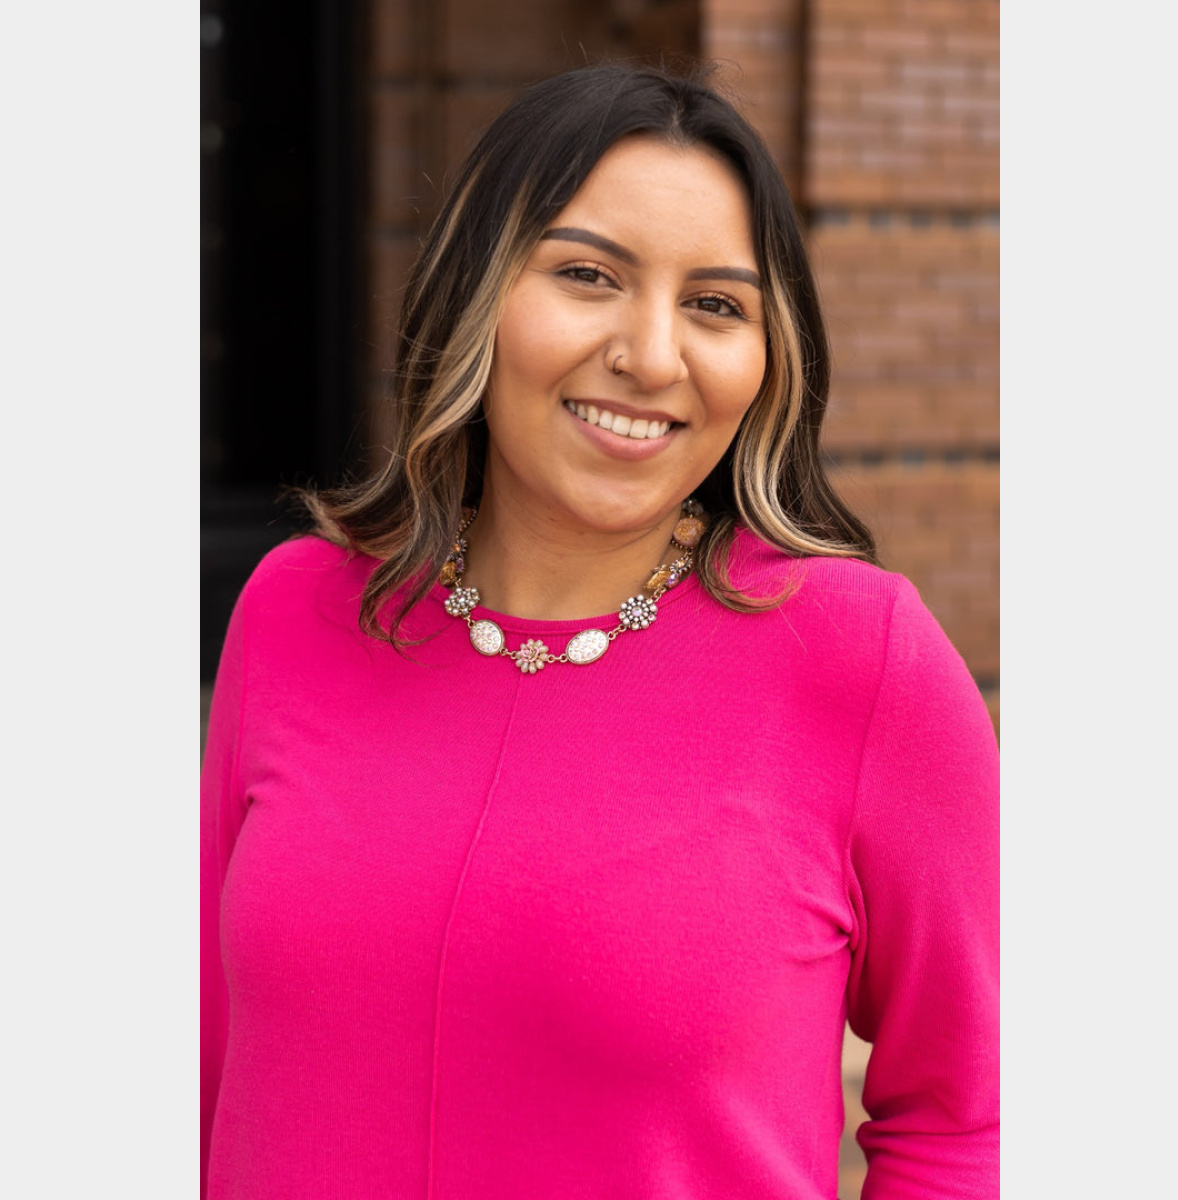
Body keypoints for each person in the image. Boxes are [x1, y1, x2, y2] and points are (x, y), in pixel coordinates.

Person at [201, 64, 999, 1199]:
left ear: (771, 364)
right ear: (475, 295)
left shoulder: (861, 656)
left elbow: (968, 1121)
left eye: (717, 305)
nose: (653, 355)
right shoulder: (298, 610)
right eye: (588, 276)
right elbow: (207, 1062)